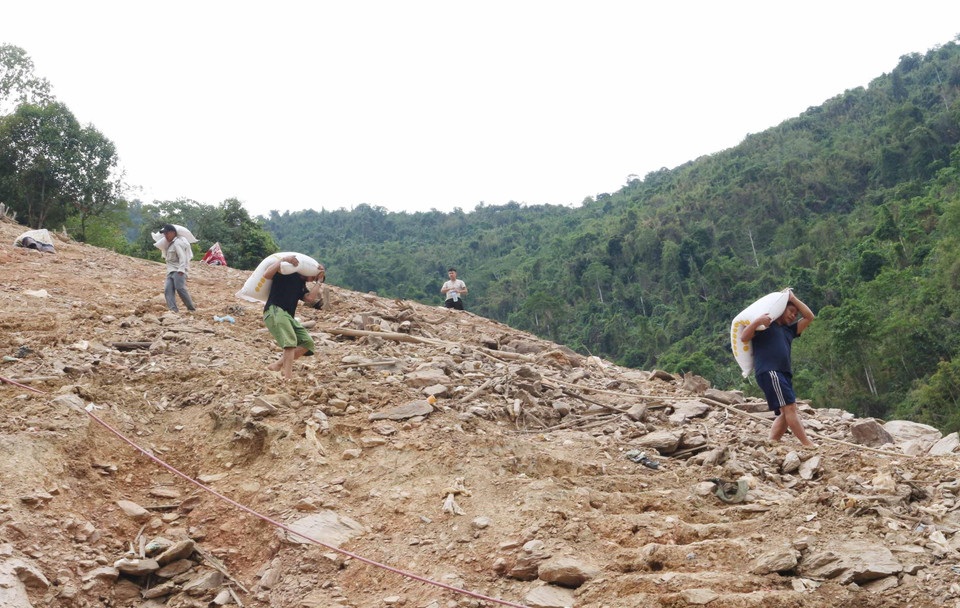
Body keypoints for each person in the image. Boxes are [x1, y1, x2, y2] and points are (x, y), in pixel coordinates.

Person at [740, 289, 816, 447]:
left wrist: (793, 299)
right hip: (770, 371)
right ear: (781, 309)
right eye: (790, 311)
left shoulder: (789, 330)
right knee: (790, 408)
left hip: (783, 373)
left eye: (795, 314)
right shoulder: (765, 326)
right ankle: (807, 443)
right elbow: (744, 337)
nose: (793, 315)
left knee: (786, 412)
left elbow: (809, 317)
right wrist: (756, 322)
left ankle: (772, 442)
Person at [262, 255, 325, 380]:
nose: (312, 279)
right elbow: (267, 275)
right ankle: (288, 378)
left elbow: (310, 298)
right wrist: (283, 260)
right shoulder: (286, 272)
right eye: (313, 276)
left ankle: (276, 366)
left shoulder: (301, 284)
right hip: (275, 310)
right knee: (290, 343)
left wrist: (319, 282)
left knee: (307, 343)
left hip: (288, 316)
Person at [162, 224, 196, 313]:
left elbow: (183, 257)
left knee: (180, 288)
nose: (165, 235)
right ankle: (173, 310)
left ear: (173, 233)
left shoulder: (178, 243)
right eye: (164, 234)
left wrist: (181, 269)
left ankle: (191, 308)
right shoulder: (170, 244)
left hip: (178, 270)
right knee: (168, 289)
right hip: (171, 270)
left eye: (167, 233)